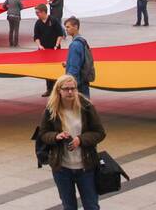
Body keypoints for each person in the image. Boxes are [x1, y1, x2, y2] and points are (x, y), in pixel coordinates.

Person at [37, 73, 106, 210]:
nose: (70, 92)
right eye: (66, 89)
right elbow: (43, 134)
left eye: (73, 88)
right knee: (69, 206)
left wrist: (80, 140)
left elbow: (99, 132)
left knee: (91, 206)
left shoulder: (86, 107)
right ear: (59, 90)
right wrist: (56, 136)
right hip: (62, 169)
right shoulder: (51, 110)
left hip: (86, 167)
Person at [33, 4, 64, 97]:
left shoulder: (53, 21)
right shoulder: (38, 23)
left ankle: (57, 89)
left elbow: (60, 34)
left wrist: (57, 45)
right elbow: (36, 36)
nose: (36, 14)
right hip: (44, 50)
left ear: (43, 12)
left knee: (55, 70)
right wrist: (39, 45)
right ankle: (49, 89)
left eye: (37, 13)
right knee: (47, 70)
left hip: (54, 50)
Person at [63, 17, 93, 97]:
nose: (66, 29)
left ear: (75, 27)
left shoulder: (75, 45)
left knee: (79, 105)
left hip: (78, 82)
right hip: (84, 80)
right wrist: (68, 63)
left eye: (68, 27)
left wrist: (69, 83)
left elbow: (74, 67)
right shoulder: (82, 41)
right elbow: (81, 60)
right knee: (86, 104)